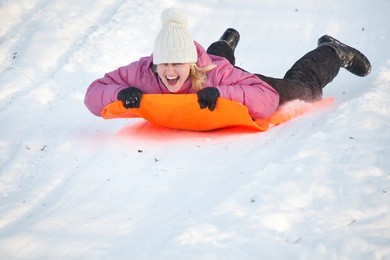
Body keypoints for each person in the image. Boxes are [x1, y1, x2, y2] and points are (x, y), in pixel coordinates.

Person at [84, 8, 371, 120]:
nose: (169, 72)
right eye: (164, 64)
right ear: (154, 64)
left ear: (192, 63)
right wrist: (118, 95)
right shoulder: (143, 71)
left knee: (303, 91)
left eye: (178, 64)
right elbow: (94, 92)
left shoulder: (214, 75)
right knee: (218, 59)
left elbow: (266, 99)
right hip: (213, 64)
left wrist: (222, 94)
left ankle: (332, 52)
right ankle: (224, 46)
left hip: (231, 79)